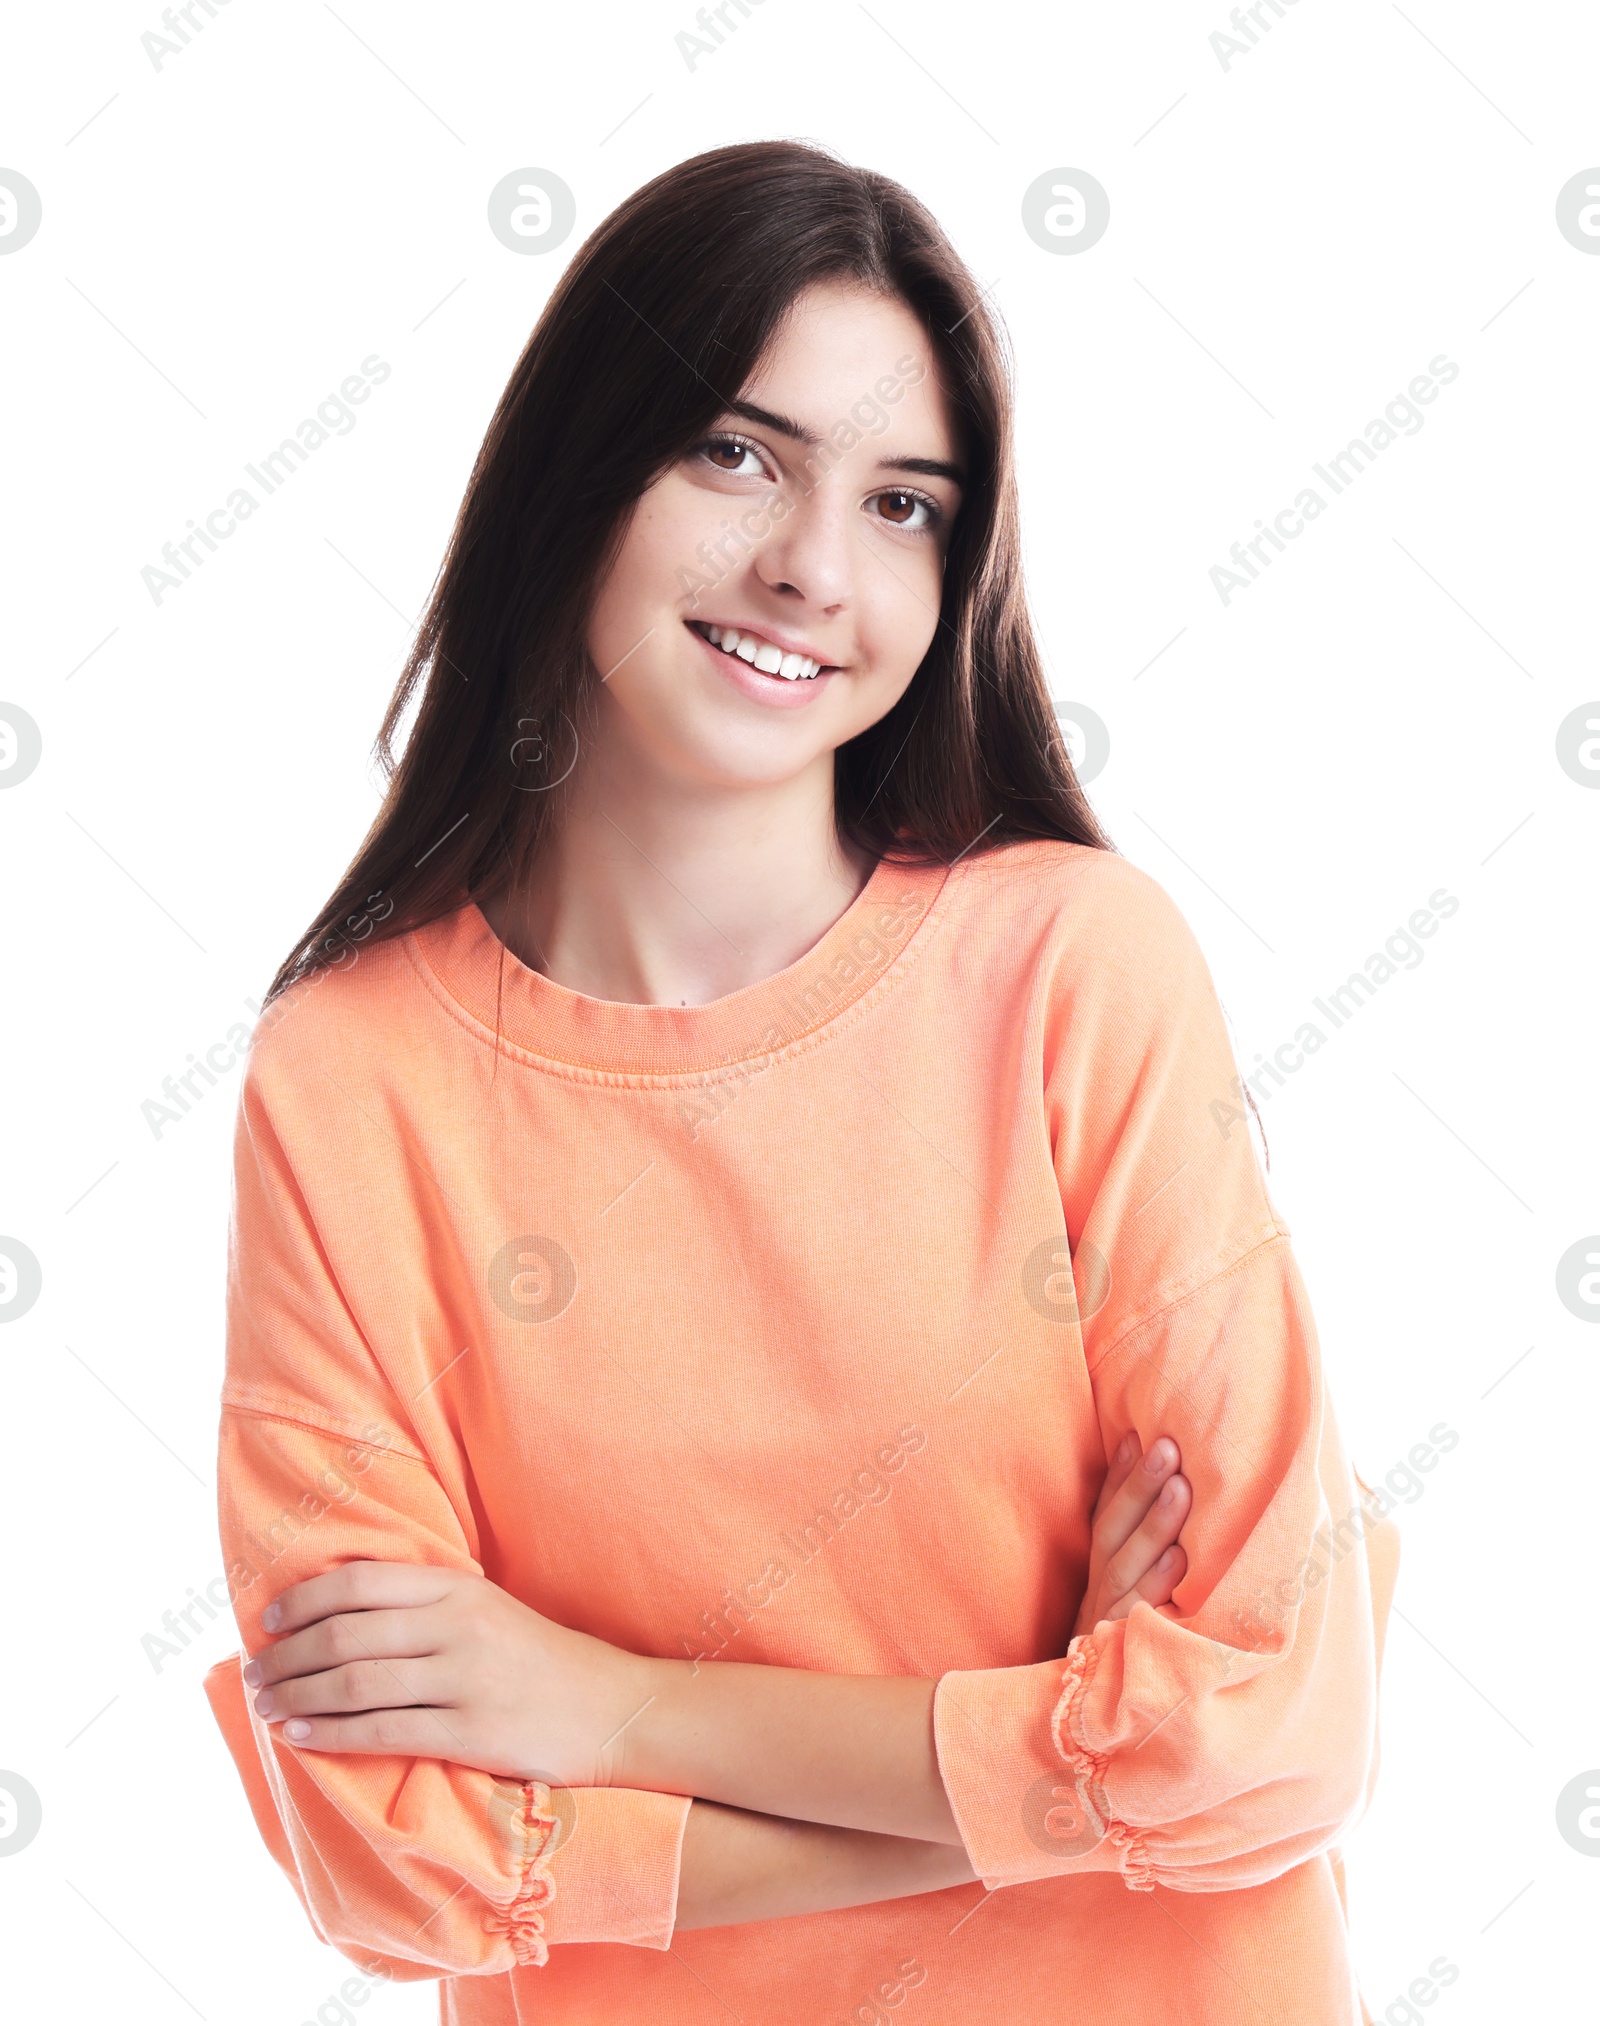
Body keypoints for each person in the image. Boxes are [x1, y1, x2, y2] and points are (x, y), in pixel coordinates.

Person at [204, 139, 1400, 2025]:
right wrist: (1053, 1774)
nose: (814, 568)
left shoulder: (1074, 973)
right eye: (738, 453)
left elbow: (1274, 1723)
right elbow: (395, 1851)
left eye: (908, 502)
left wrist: (609, 1710)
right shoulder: (353, 1079)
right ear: (575, 470)